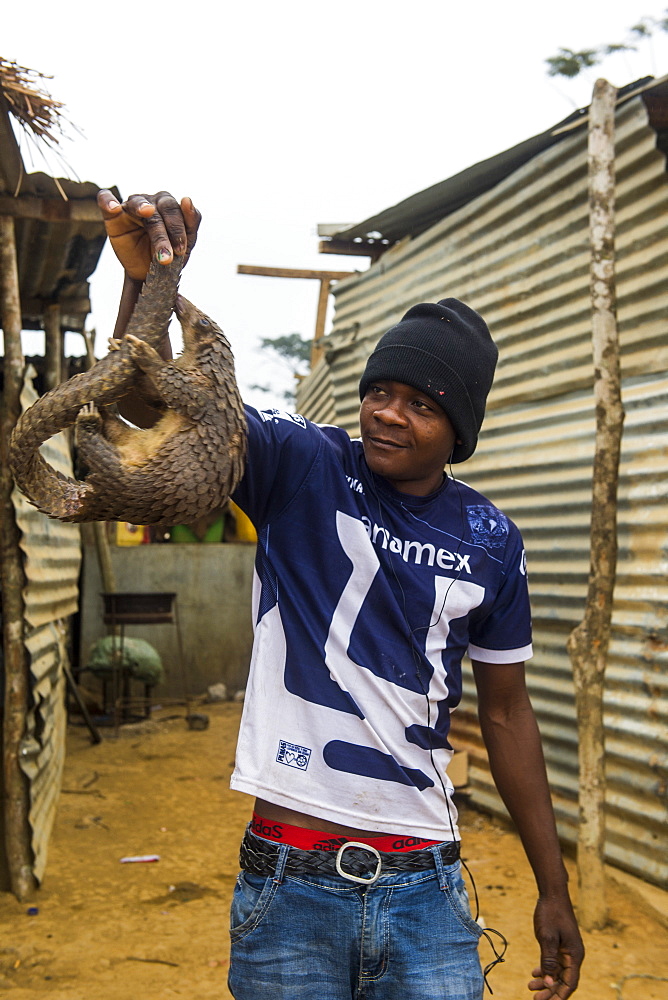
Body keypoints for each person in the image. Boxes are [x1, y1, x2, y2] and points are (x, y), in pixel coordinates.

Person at [98, 190, 584, 1000]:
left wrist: (554, 886)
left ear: (459, 429)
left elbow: (507, 712)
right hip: (290, 881)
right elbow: (155, 403)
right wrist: (148, 285)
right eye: (380, 392)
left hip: (426, 888)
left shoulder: (491, 538)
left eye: (422, 405)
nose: (389, 415)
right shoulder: (301, 463)